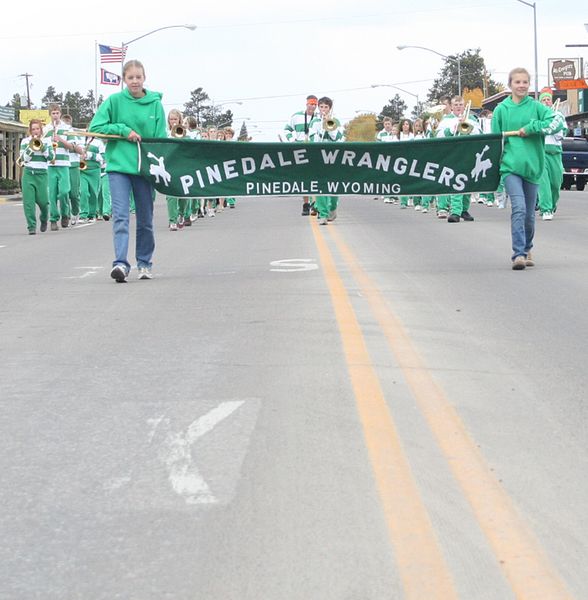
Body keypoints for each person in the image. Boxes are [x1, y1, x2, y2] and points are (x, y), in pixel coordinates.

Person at [89, 59, 166, 282]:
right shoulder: (114, 101)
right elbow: (95, 127)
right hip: (118, 168)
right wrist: (123, 130)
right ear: (124, 79)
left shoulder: (155, 104)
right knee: (121, 217)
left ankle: (144, 262)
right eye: (130, 77)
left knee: (145, 219)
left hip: (144, 169)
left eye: (138, 77)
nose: (134, 81)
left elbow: (161, 139)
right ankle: (121, 264)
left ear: (144, 78)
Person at [491, 67, 560, 270]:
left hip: (533, 167)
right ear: (510, 84)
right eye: (517, 82)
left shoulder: (537, 107)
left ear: (529, 85)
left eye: (525, 82)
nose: (521, 86)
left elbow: (557, 122)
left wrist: (532, 128)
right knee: (519, 209)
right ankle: (518, 254)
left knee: (530, 215)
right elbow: (495, 141)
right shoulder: (501, 110)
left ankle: (528, 247)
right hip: (510, 168)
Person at [435, 96, 482, 222]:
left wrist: (468, 127)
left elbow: (480, 133)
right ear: (451, 106)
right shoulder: (446, 120)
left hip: (468, 152)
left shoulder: (471, 118)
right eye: (456, 104)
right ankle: (455, 211)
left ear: (464, 105)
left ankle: (464, 210)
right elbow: (438, 135)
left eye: (461, 104)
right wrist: (453, 128)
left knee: (467, 182)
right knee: (457, 180)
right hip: (453, 153)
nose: (458, 107)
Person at [282, 95, 319, 215]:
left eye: (314, 104)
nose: (312, 106)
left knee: (314, 177)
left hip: (314, 150)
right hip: (300, 150)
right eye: (310, 104)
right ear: (306, 104)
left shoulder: (319, 118)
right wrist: (292, 141)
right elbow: (287, 129)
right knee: (304, 178)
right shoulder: (296, 116)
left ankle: (315, 204)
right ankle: (306, 203)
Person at [310, 96, 343, 225]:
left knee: (333, 186)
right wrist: (320, 130)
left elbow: (337, 138)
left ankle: (333, 207)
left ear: (330, 108)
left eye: (326, 107)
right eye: (321, 107)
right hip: (319, 156)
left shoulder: (335, 121)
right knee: (320, 186)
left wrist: (328, 123)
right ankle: (323, 214)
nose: (323, 109)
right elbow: (313, 139)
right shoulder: (314, 122)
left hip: (333, 157)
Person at [18, 119, 55, 234]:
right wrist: (32, 147)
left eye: (37, 129)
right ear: (30, 130)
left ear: (41, 130)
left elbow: (51, 157)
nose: (35, 131)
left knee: (44, 202)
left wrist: (41, 146)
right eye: (33, 129)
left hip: (42, 175)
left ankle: (44, 219)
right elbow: (23, 159)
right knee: (28, 203)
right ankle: (31, 227)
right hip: (29, 174)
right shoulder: (25, 141)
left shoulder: (47, 141)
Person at [43, 104, 76, 230]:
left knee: (63, 192)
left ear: (60, 114)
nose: (55, 115)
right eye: (53, 113)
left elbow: (72, 147)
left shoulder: (67, 128)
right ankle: (53, 218)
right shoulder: (46, 129)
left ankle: (65, 214)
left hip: (63, 164)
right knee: (51, 194)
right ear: (50, 114)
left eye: (57, 113)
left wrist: (60, 139)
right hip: (51, 165)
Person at [536, 88, 567, 220]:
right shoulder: (537, 116)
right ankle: (546, 209)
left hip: (555, 153)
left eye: (548, 99)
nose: (546, 102)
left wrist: (553, 128)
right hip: (541, 153)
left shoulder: (558, 116)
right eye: (543, 100)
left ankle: (552, 205)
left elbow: (563, 132)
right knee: (544, 184)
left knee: (555, 183)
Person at [61, 114, 83, 226]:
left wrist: (71, 146)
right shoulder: (58, 133)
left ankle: (75, 212)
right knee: (63, 193)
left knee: (74, 194)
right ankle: (66, 214)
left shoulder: (75, 135)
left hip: (73, 165)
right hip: (61, 165)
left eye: (67, 125)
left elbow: (81, 150)